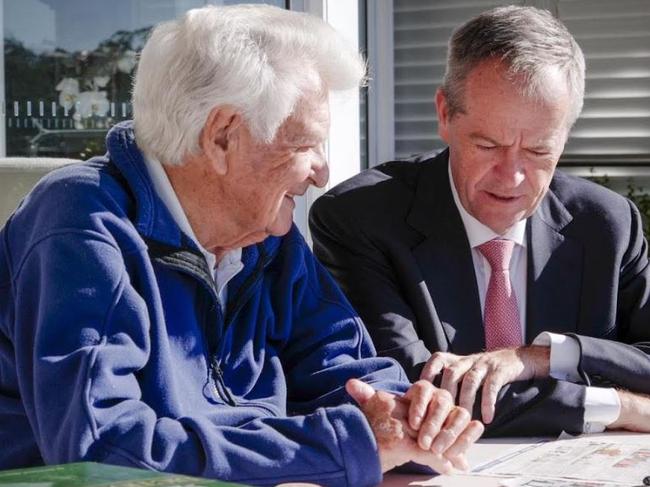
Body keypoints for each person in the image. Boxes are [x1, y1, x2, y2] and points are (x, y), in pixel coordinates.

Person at [0, 5, 484, 486]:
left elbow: (344, 366)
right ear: (223, 136)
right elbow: (104, 450)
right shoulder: (81, 223)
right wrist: (347, 445)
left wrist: (410, 417)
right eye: (306, 145)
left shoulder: (266, 235)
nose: (323, 172)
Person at [310, 5, 650, 437]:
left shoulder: (606, 224)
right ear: (444, 115)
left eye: (538, 151)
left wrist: (540, 357)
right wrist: (620, 406)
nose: (512, 177)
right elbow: (414, 395)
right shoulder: (359, 219)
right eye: (488, 145)